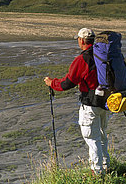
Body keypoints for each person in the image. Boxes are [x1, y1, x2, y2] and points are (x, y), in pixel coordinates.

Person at [43, 27, 110, 175]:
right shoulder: (103, 55)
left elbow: (67, 83)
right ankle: (106, 166)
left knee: (92, 139)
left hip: (90, 105)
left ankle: (97, 174)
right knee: (102, 135)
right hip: (105, 102)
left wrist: (51, 83)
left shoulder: (82, 59)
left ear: (81, 40)